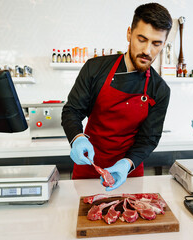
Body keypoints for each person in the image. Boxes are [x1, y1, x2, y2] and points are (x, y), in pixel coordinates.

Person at [61, 3, 172, 191]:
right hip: (88, 166)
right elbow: (72, 111)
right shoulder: (95, 69)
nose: (147, 50)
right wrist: (77, 138)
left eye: (156, 43)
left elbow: (149, 139)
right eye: (142, 39)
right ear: (129, 34)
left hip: (128, 172)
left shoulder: (159, 89)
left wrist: (127, 164)